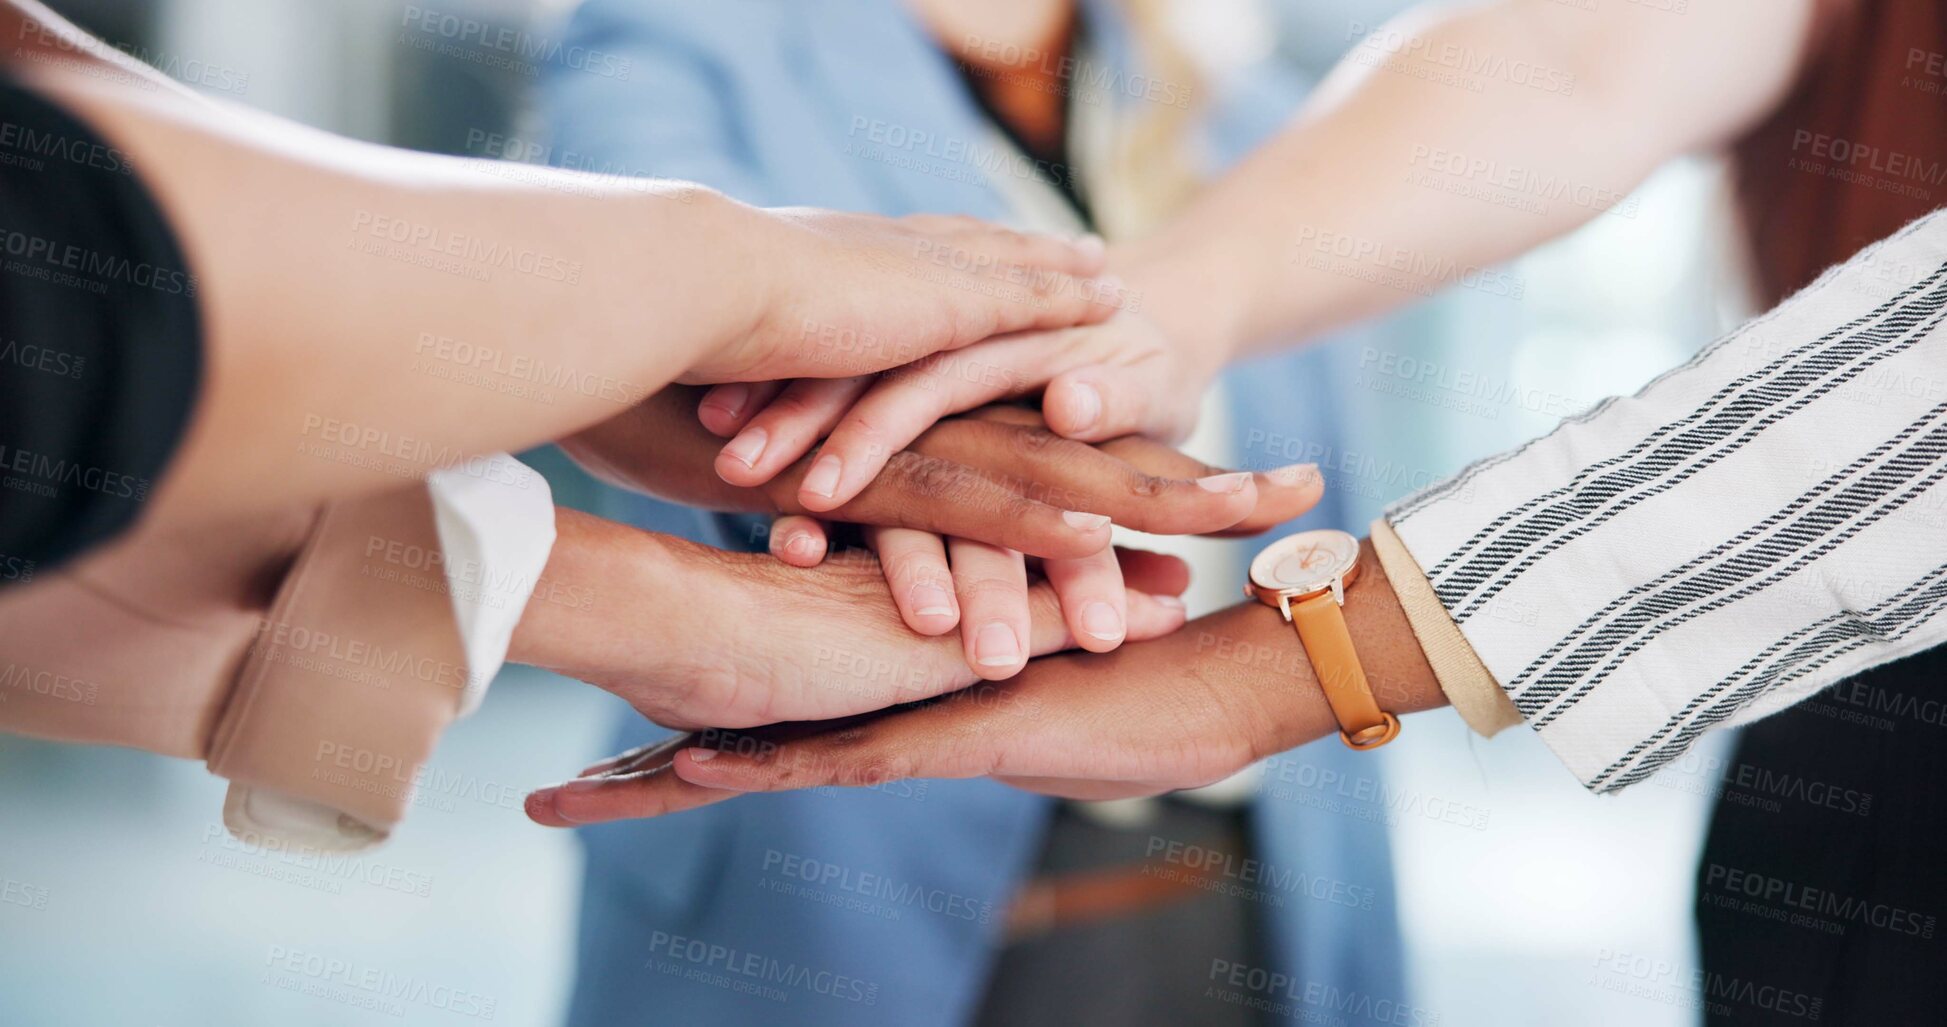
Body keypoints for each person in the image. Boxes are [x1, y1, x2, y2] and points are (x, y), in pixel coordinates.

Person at [556, 0, 1947, 1019]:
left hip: (1234, 832)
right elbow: (1575, 60)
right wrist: (1134, 324)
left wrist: (1287, 667)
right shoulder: (689, 43)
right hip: (864, 871)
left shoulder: (1219, 97)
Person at [535, 1, 1473, 1023]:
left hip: (1234, 868)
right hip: (826, 880)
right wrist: (862, 477)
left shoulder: (1254, 114)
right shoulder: (685, 35)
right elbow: (620, 318)